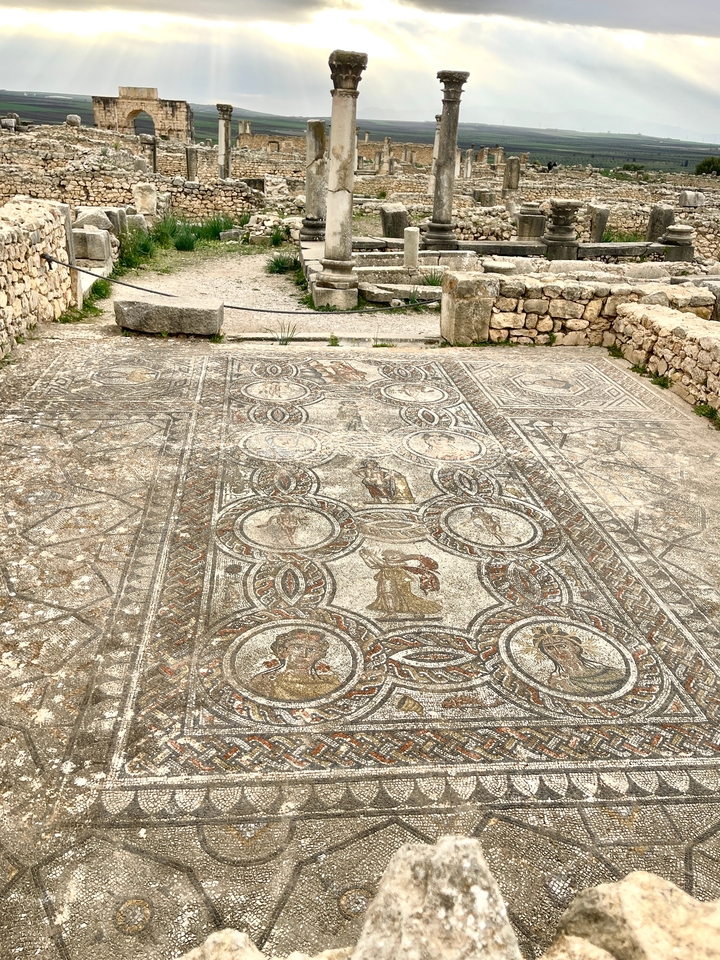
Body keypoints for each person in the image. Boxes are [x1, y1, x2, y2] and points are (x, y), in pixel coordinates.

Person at [532, 624, 626, 697]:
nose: (557, 651)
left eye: (561, 645)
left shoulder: (608, 672)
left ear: (575, 648)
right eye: (549, 648)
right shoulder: (554, 679)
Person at [249, 628, 341, 701]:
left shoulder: (330, 683)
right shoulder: (263, 680)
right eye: (297, 647)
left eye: (311, 649)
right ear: (283, 651)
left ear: (318, 655)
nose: (304, 654)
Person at [361, 548, 442, 617]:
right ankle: (395, 612)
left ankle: (393, 613)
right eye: (387, 557)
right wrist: (365, 557)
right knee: (386, 594)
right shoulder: (386, 563)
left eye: (392, 556)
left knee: (398, 596)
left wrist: (371, 555)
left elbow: (383, 564)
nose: (388, 558)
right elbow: (373, 566)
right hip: (385, 580)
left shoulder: (401, 563)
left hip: (397, 582)